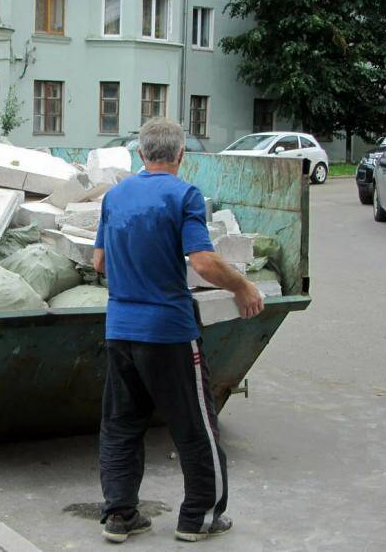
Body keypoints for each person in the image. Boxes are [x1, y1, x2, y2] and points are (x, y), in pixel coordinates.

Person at [93, 118, 264, 543]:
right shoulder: (184, 195)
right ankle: (198, 518)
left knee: (120, 425)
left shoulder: (115, 196)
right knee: (194, 427)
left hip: (120, 329)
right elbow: (203, 262)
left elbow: (99, 263)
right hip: (168, 331)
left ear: (140, 154)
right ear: (181, 154)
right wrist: (243, 286)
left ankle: (120, 515)